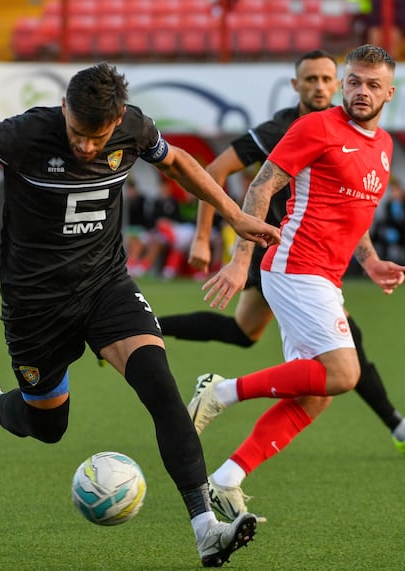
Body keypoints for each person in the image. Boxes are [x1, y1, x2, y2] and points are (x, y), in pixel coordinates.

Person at [0, 62, 282, 567]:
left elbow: (177, 162)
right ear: (64, 108)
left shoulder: (134, 126)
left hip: (105, 286)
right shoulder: (25, 132)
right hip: (35, 303)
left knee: (161, 389)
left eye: (98, 138)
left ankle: (206, 528)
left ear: (116, 122)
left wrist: (234, 214)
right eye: (77, 134)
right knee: (48, 425)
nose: (86, 148)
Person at [186, 44, 405, 522]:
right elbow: (260, 187)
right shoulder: (315, 127)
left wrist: (369, 262)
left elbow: (354, 215)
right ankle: (219, 392)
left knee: (318, 394)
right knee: (344, 373)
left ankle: (227, 479)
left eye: (372, 84)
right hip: (292, 265)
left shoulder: (384, 147)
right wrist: (242, 259)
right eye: (354, 82)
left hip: (326, 276)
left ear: (391, 92)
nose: (360, 91)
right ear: (344, 83)